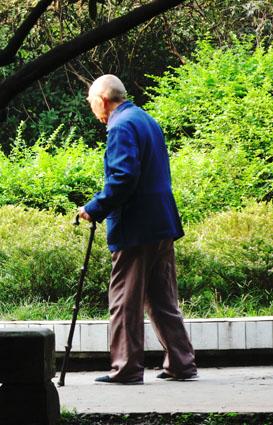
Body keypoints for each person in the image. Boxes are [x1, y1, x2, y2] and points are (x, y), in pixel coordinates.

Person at [78, 74, 197, 384]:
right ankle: (181, 363)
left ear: (101, 101)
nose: (93, 110)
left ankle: (127, 368)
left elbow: (123, 178)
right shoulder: (146, 119)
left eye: (92, 103)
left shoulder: (120, 126)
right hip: (161, 222)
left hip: (135, 226)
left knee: (124, 299)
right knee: (162, 297)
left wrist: (94, 208)